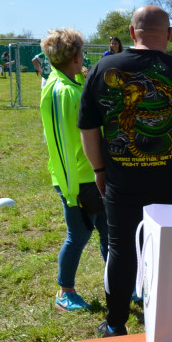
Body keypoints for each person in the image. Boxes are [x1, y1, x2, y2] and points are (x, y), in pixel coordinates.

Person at [79, 5, 172, 337]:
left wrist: (99, 169)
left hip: (122, 181)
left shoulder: (101, 68)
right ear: (169, 35)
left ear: (131, 33)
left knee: (121, 248)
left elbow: (88, 129)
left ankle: (115, 324)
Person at [40, 28, 109, 313]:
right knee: (78, 236)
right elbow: (61, 144)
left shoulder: (73, 81)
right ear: (75, 55)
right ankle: (64, 291)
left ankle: (121, 284)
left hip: (97, 173)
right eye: (82, 52)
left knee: (110, 233)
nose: (85, 57)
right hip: (78, 181)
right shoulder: (61, 92)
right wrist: (71, 192)